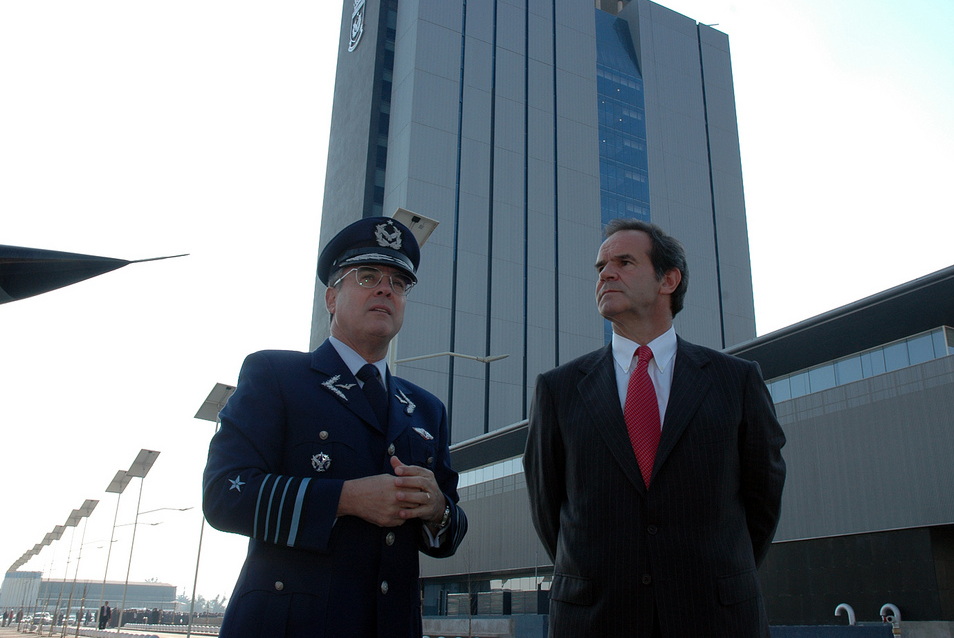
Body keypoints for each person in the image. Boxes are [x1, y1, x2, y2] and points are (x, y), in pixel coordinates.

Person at [203, 216, 468, 638]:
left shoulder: (426, 409)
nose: (386, 289)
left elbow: (450, 530)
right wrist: (345, 498)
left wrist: (438, 510)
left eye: (399, 283)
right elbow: (224, 494)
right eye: (367, 276)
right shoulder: (276, 375)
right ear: (331, 297)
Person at [524, 218, 786, 638]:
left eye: (624, 262)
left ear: (668, 280)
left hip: (716, 619)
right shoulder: (558, 390)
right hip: (595, 620)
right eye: (601, 267)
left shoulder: (735, 381)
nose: (606, 274)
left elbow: (763, 499)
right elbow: (547, 508)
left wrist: (716, 573)